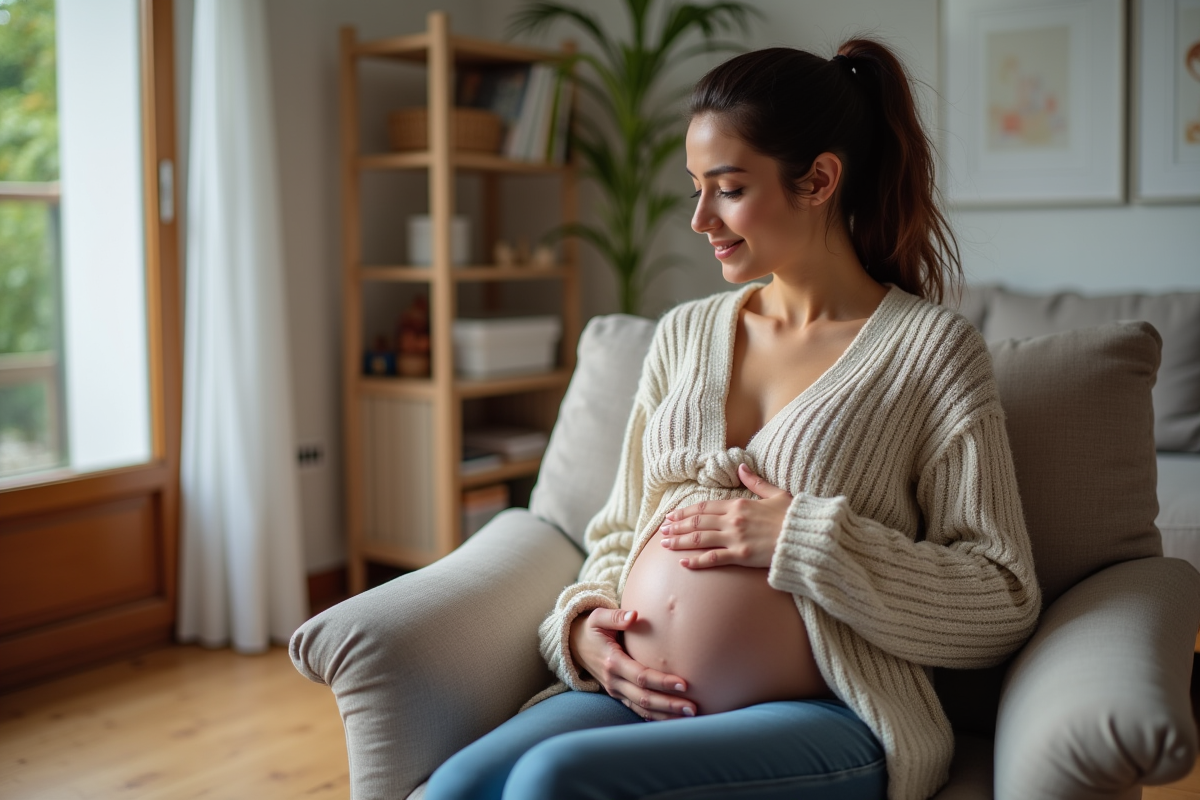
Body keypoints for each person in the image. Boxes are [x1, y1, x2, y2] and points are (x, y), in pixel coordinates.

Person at [425, 39, 1041, 800]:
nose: (699, 219)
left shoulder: (933, 352)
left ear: (818, 180)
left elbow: (1001, 596)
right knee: (453, 788)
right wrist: (586, 631)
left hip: (828, 716)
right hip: (635, 701)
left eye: (727, 188)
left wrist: (806, 538)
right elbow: (618, 535)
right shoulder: (682, 335)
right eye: (695, 188)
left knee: (554, 779)